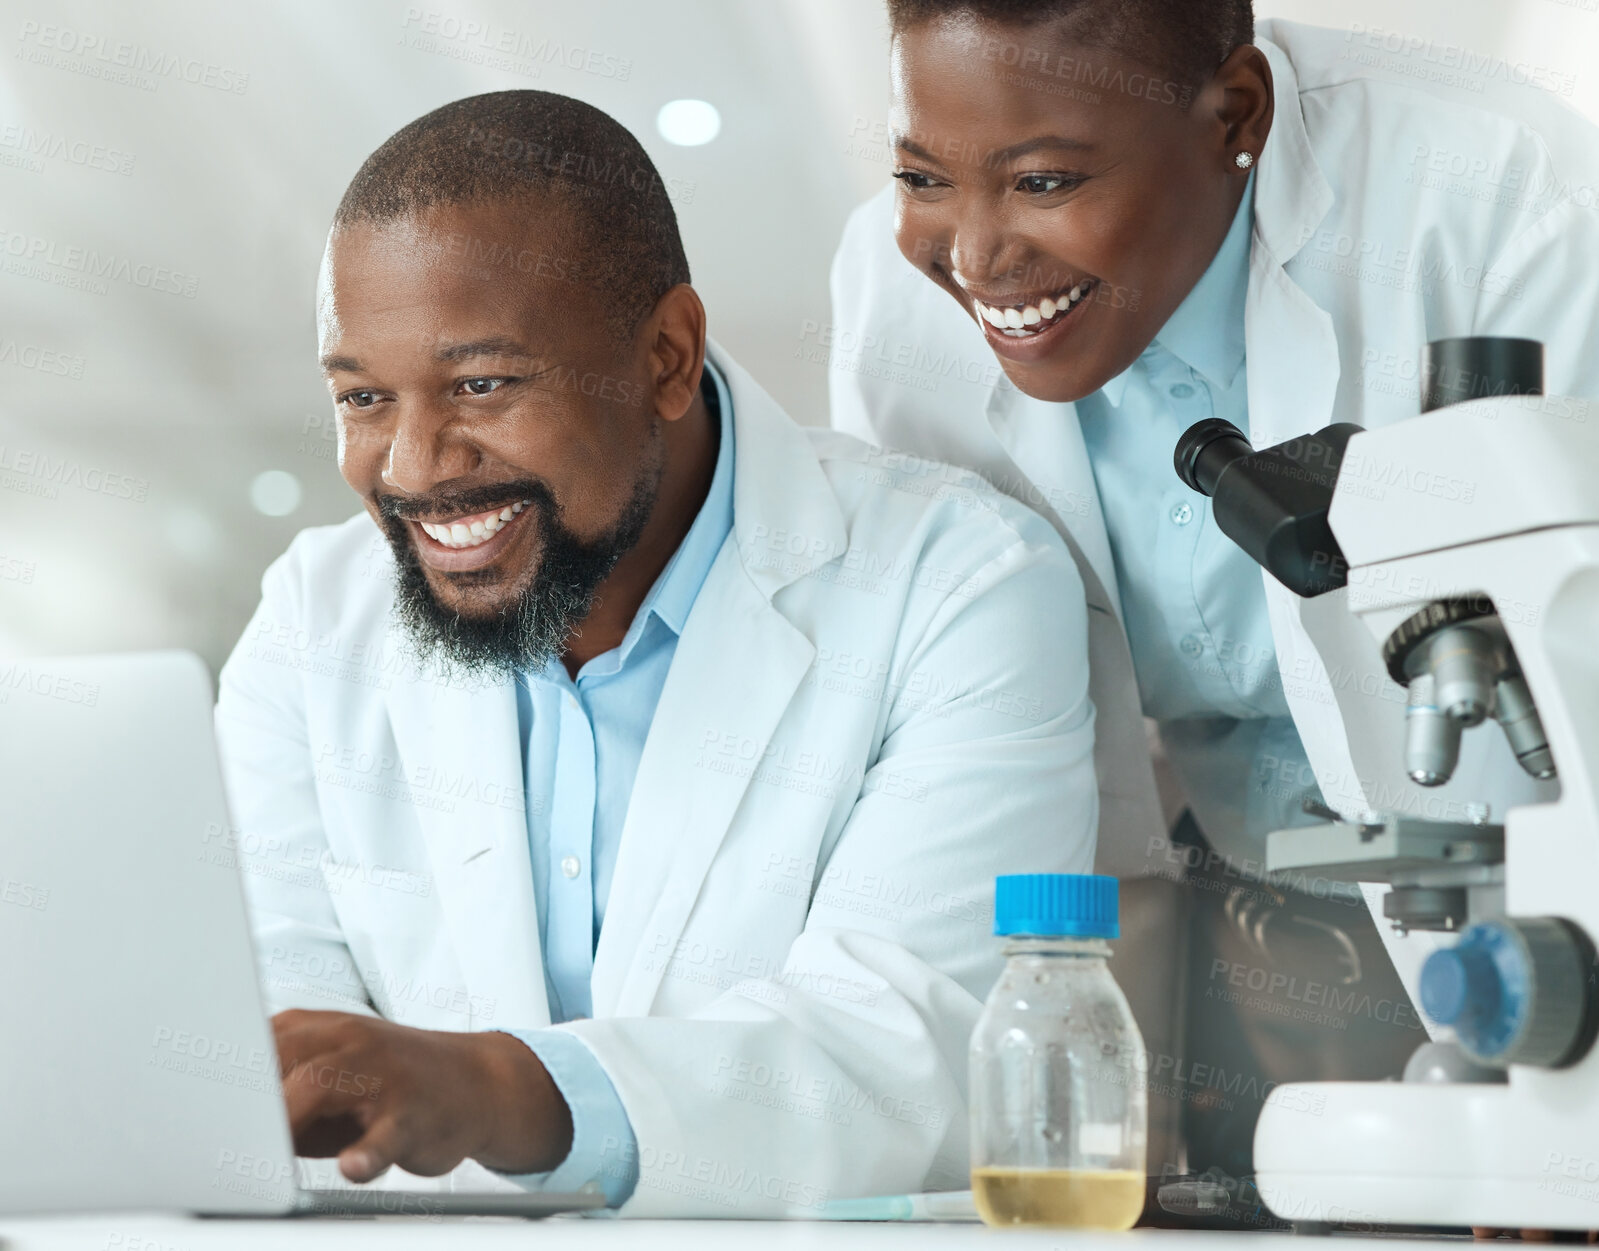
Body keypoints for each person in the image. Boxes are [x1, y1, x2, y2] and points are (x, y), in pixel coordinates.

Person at [214, 89, 1098, 1216]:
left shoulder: (957, 583)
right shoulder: (312, 622)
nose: (416, 466)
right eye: (365, 398)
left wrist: (497, 1088)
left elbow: (912, 1050)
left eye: (482, 384)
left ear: (669, 356)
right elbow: (255, 1000)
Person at [827, 0, 1599, 1188]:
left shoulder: (1498, 189)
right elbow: (1004, 737)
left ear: (1235, 113)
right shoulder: (900, 309)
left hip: (1529, 859)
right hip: (1214, 895)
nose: (974, 258)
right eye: (922, 177)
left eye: (1041, 182)